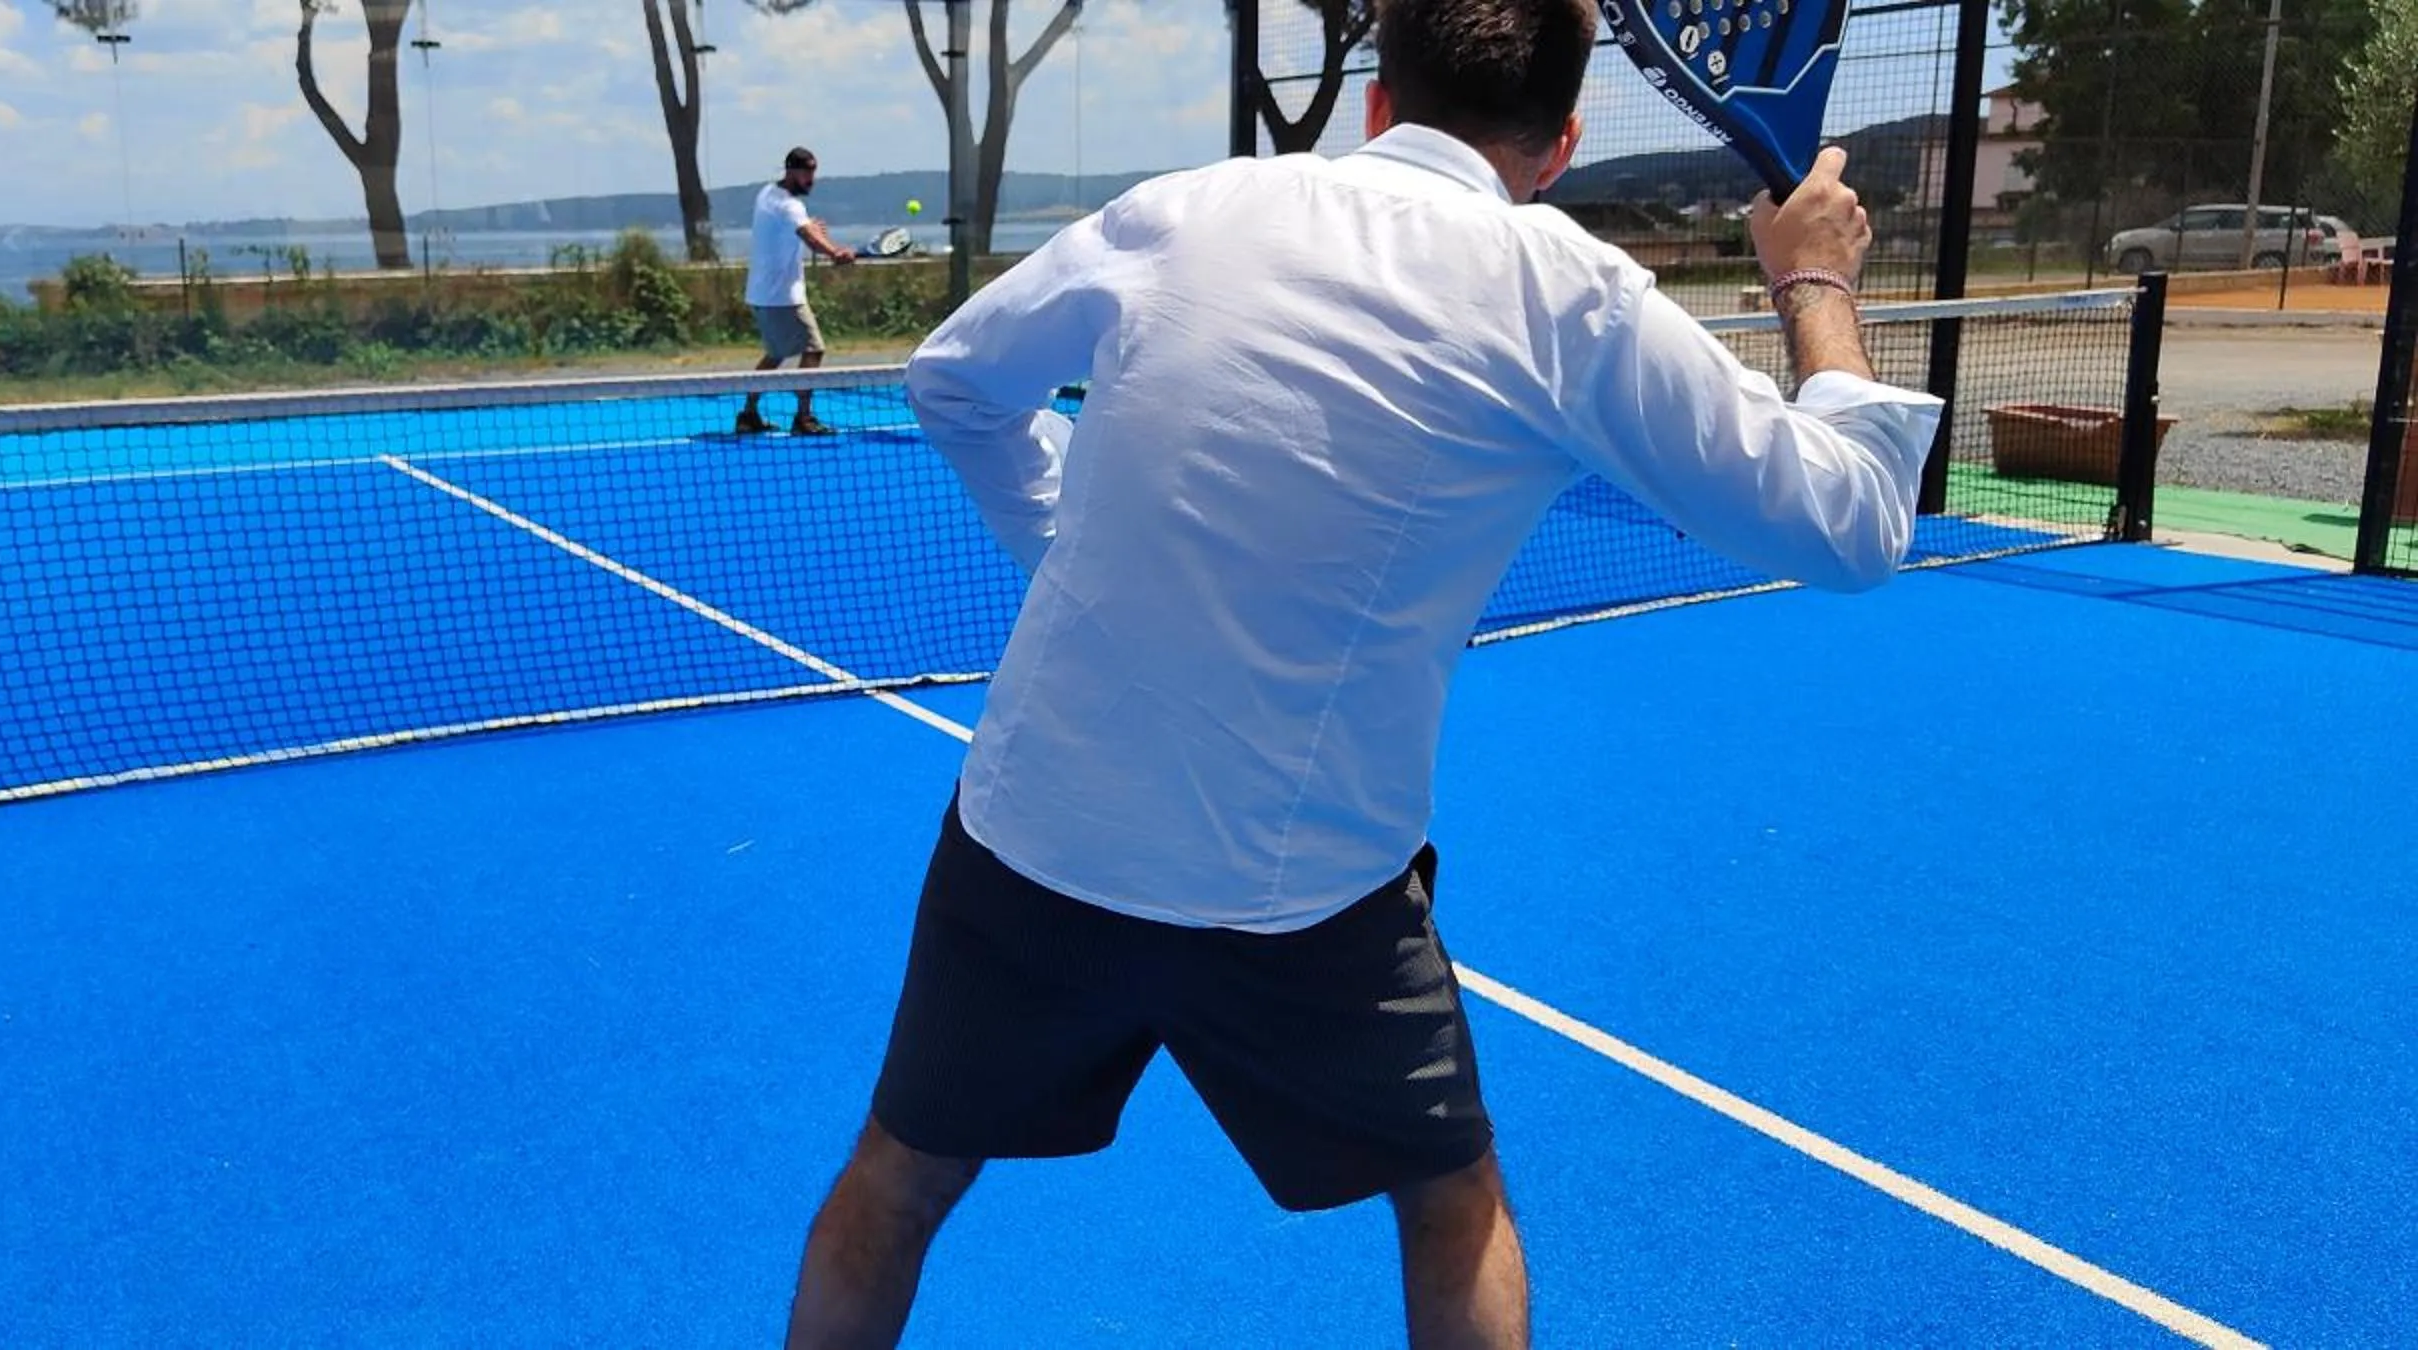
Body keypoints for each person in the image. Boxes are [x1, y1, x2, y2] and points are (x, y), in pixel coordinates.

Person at [782, 0, 1945, 1342]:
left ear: (1377, 103)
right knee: (1453, 1207)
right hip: (1311, 893)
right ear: (1562, 144)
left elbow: (953, 383)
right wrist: (1816, 279)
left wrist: (1060, 542)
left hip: (1039, 842)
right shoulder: (1569, 294)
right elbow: (1855, 522)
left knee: (901, 1178)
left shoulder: (1184, 210)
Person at [740, 146, 857, 437]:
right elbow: (807, 235)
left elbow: (803, 229)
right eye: (806, 172)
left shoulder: (767, 193)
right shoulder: (790, 205)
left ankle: (748, 414)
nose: (811, 179)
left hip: (762, 294)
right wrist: (836, 253)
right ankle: (803, 419)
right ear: (791, 171)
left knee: (776, 354)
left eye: (813, 172)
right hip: (782, 297)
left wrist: (816, 234)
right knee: (814, 348)